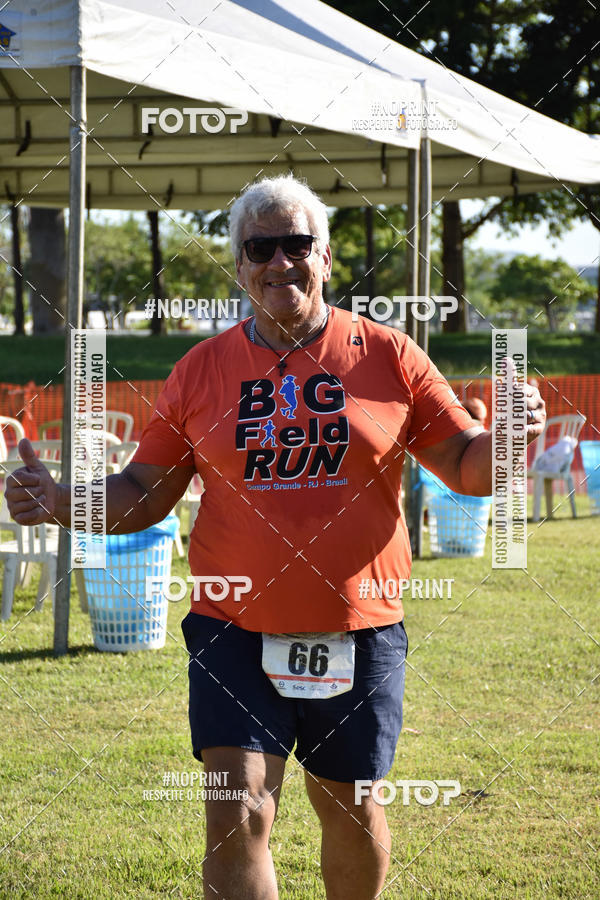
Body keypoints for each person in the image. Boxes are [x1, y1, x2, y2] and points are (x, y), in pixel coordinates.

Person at [5, 175, 546, 900]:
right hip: (234, 621)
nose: (280, 262)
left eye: (297, 244)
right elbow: (142, 492)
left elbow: (468, 466)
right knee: (238, 807)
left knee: (349, 806)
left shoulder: (389, 355)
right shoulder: (200, 370)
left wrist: (512, 437)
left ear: (325, 256)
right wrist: (62, 500)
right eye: (261, 247)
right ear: (239, 266)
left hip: (360, 624)